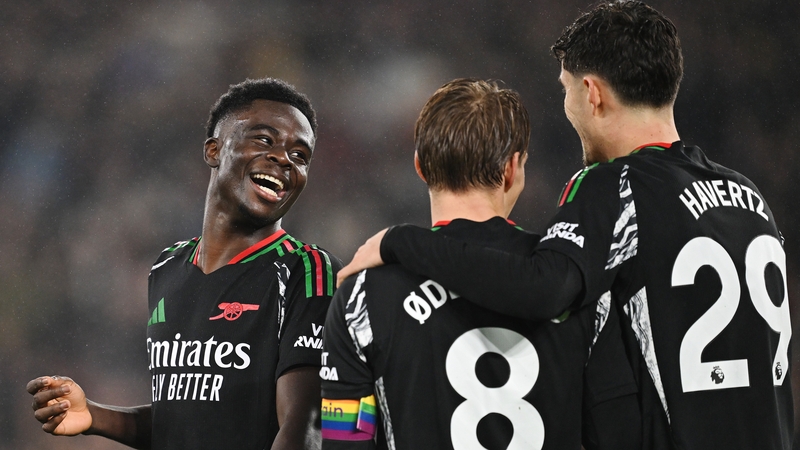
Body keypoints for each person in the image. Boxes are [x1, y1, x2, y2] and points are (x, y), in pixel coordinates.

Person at [337, 3, 793, 450]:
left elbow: (544, 288)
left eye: (566, 89)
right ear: (513, 169)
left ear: (592, 93)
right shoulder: (749, 197)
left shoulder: (613, 187)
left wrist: (400, 240)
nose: (567, 106)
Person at [321, 78, 639, 450]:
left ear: (420, 167)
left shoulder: (361, 297)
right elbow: (621, 435)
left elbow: (344, 442)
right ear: (512, 169)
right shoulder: (577, 282)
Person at [27, 78, 342, 450]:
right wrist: (96, 416)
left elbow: (306, 428)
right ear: (213, 150)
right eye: (264, 139)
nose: (283, 158)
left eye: (300, 155)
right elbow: (185, 420)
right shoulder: (166, 269)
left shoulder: (306, 271)